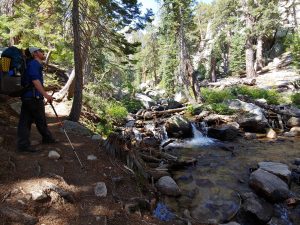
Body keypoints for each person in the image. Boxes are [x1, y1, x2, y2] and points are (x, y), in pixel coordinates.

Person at [17, 47, 56, 152]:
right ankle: (47, 138)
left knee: (25, 121)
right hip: (34, 98)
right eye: (40, 51)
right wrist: (46, 95)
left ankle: (23, 145)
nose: (43, 52)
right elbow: (35, 81)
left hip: (28, 97)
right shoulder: (34, 64)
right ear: (35, 54)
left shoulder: (33, 64)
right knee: (40, 120)